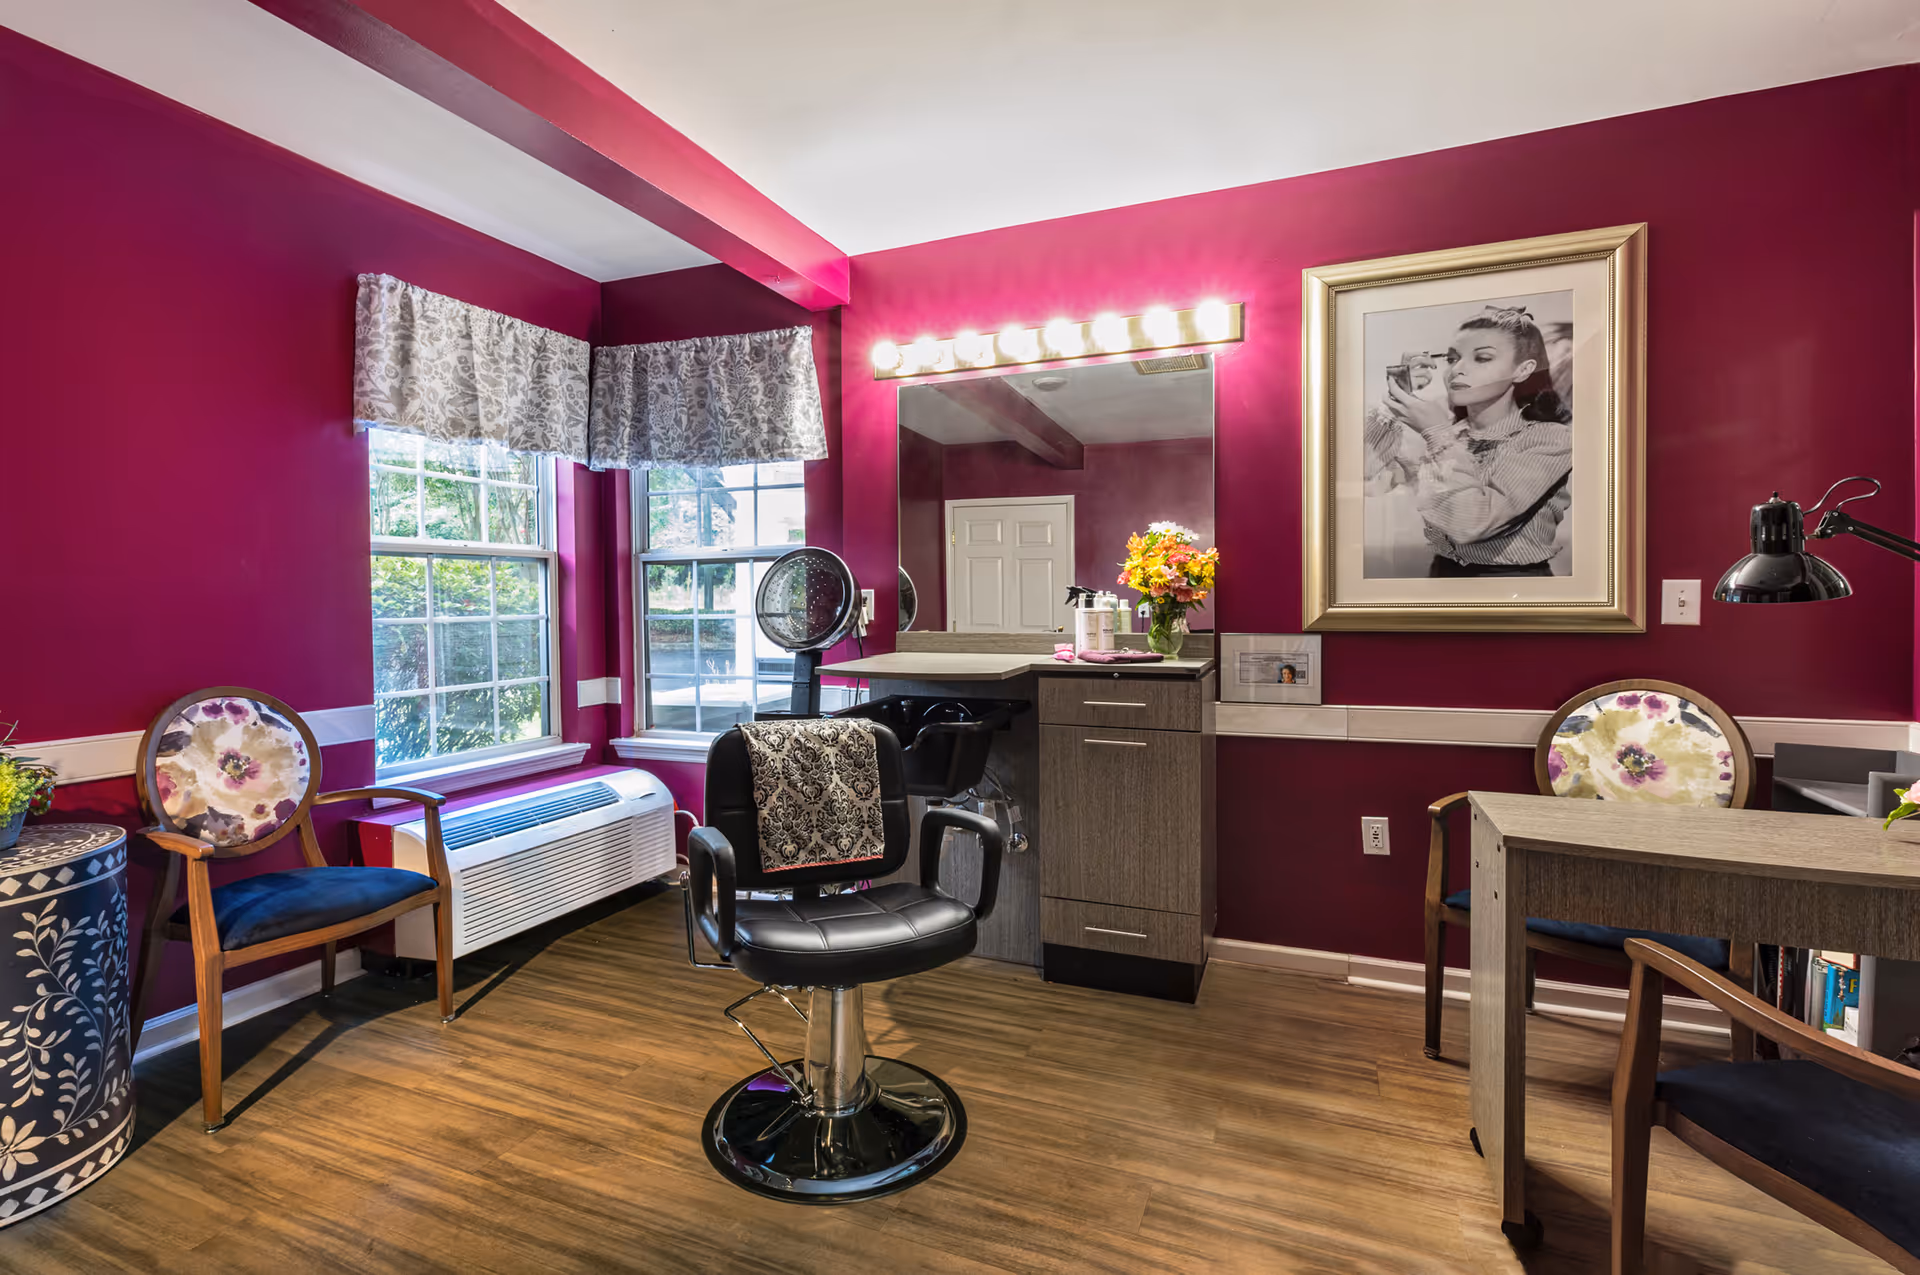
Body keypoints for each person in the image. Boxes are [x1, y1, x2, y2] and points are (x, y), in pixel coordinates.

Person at [1373, 306, 1573, 577]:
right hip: (1442, 578)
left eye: (1482, 358)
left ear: (1523, 370)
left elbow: (1471, 524)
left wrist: (1438, 433)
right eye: (1453, 358)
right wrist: (1396, 402)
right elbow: (1367, 477)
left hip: (1513, 589)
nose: (1458, 369)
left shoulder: (1549, 438)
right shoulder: (1447, 431)